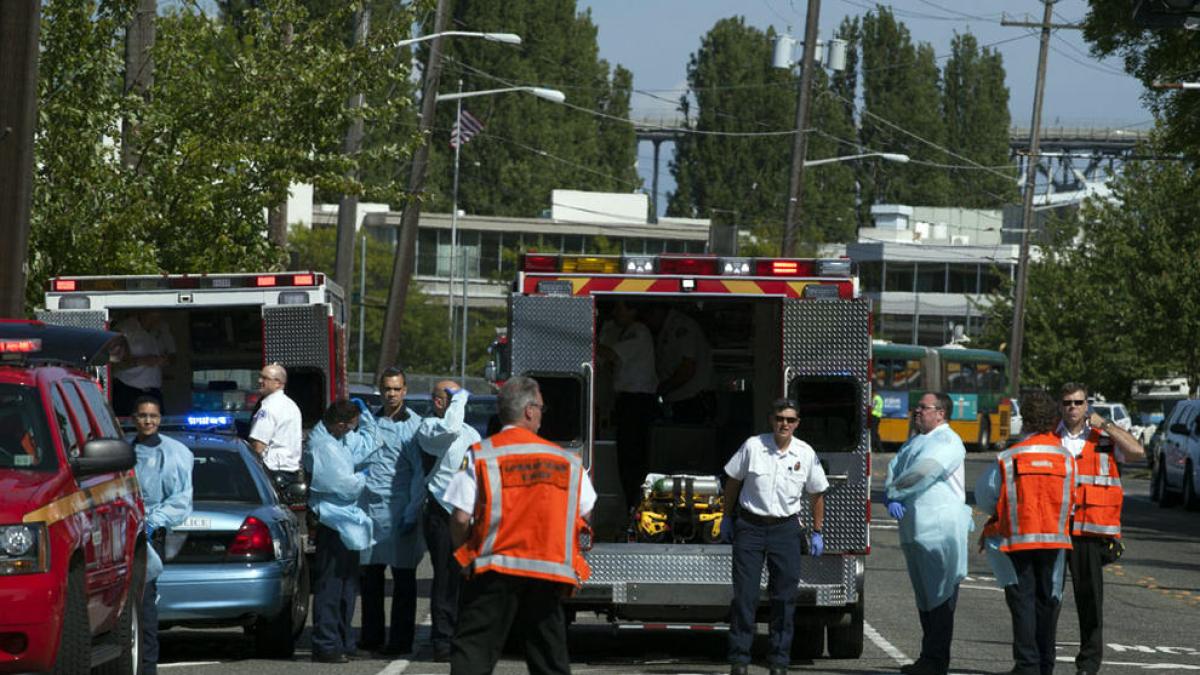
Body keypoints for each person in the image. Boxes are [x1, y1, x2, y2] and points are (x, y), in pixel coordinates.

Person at [445, 376, 594, 675]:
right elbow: (585, 510)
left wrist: (465, 556)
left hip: (494, 569)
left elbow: (460, 517)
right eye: (541, 408)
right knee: (549, 658)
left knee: (473, 653)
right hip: (549, 571)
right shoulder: (566, 461)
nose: (541, 415)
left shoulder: (482, 454)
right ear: (528, 411)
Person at [720, 398, 827, 675]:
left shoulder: (805, 453)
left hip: (786, 530)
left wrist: (817, 531)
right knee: (745, 597)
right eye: (780, 418)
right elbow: (733, 482)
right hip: (750, 527)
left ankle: (779, 661)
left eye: (790, 420)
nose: (784, 424)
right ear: (772, 420)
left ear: (797, 423)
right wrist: (726, 517)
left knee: (784, 598)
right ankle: (739, 659)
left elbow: (817, 493)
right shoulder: (753, 446)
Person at [976, 390, 1077, 675]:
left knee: (1022, 603)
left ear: (1026, 420)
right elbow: (1072, 499)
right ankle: (1045, 665)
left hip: (1017, 539)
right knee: (1048, 602)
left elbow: (986, 497)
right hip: (1055, 540)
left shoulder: (1010, 456)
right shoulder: (1066, 457)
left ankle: (1027, 665)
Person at [1057, 382, 1144, 675]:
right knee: (1048, 598)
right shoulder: (1050, 436)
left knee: (1089, 600)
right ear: (1060, 405)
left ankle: (1088, 664)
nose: (1072, 407)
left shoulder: (1104, 438)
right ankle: (1039, 660)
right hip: (1054, 526)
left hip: (1089, 531)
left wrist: (1105, 424)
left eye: (1078, 402)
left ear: (1087, 405)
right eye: (1067, 402)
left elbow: (1137, 452)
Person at [883, 392, 972, 675]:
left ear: (941, 413)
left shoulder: (947, 441)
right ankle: (928, 658)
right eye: (917, 407)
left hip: (939, 530)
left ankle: (936, 661)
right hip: (915, 528)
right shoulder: (915, 441)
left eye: (924, 407)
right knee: (925, 598)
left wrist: (894, 491)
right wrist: (890, 491)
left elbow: (923, 472)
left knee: (940, 596)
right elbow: (894, 467)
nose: (917, 411)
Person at [305, 398, 381, 664]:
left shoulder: (337, 439)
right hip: (331, 522)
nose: (351, 431)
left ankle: (343, 640)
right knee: (331, 586)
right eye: (350, 426)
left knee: (347, 586)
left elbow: (369, 446)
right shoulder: (323, 446)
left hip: (344, 522)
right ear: (339, 424)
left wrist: (367, 417)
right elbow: (345, 486)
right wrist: (364, 477)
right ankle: (326, 644)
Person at [358, 367, 426, 656]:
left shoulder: (414, 427)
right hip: (369, 510)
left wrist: (412, 512)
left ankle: (400, 641)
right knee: (370, 578)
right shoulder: (368, 422)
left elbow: (420, 475)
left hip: (398, 509)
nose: (391, 394)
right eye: (387, 388)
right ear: (380, 389)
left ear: (405, 391)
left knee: (403, 579)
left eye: (397, 389)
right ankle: (371, 637)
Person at [417, 379, 481, 662]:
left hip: (467, 513)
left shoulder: (471, 433)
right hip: (441, 511)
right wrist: (460, 398)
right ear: (439, 402)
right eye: (453, 398)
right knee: (445, 576)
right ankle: (442, 640)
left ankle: (463, 635)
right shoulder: (429, 427)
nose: (459, 402)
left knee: (465, 576)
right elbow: (450, 430)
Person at [130, 396, 193, 675]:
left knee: (145, 604)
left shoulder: (174, 453)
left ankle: (147, 667)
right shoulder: (124, 451)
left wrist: (152, 522)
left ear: (160, 419)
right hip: (124, 532)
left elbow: (180, 499)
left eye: (153, 416)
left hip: (150, 536)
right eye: (143, 415)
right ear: (134, 418)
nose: (148, 421)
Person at [596, 300, 658, 510]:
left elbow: (611, 354)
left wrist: (587, 342)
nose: (615, 313)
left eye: (620, 308)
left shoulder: (638, 332)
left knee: (633, 458)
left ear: (633, 310)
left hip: (637, 402)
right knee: (626, 457)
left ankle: (636, 505)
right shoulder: (622, 332)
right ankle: (631, 504)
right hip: (627, 401)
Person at [644, 306, 714, 424]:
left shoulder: (682, 326)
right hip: (677, 400)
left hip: (691, 401)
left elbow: (687, 369)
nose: (648, 323)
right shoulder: (667, 328)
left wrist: (660, 389)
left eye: (647, 317)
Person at [249, 363, 303, 487]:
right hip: (291, 472)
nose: (260, 381)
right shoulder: (291, 405)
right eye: (260, 377)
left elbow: (258, 446)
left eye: (265, 378)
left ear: (278, 383)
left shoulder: (269, 408)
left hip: (272, 471)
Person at [112, 312, 175, 416]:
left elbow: (173, 356)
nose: (157, 315)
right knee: (126, 424)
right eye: (153, 313)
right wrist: (143, 361)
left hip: (153, 391)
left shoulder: (163, 327)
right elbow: (113, 364)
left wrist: (164, 360)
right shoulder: (124, 328)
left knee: (157, 423)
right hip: (127, 389)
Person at [870, 386, 884, 451]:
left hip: (874, 416)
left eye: (871, 393)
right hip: (878, 416)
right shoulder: (880, 398)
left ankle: (872, 447)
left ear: (873, 392)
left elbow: (872, 407)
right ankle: (879, 448)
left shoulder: (875, 398)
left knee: (873, 433)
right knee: (875, 432)